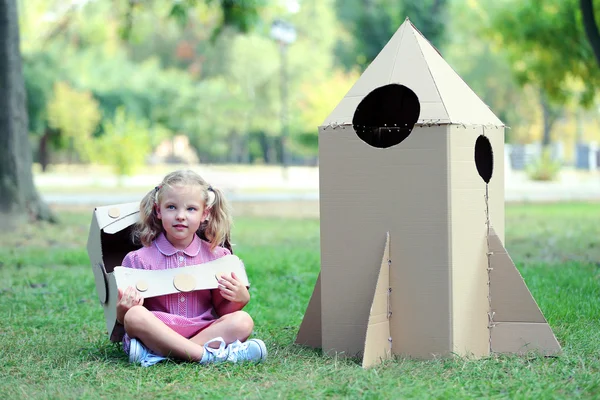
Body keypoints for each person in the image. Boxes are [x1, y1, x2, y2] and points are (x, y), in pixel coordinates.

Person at [116, 170, 266, 367]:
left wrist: (240, 298)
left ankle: (159, 355)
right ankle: (210, 355)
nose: (180, 216)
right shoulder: (137, 259)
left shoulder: (218, 257)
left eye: (191, 209)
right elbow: (122, 319)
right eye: (171, 207)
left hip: (203, 329)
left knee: (243, 321)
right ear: (158, 211)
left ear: (205, 214)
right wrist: (124, 308)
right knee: (135, 316)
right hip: (159, 329)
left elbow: (223, 310)